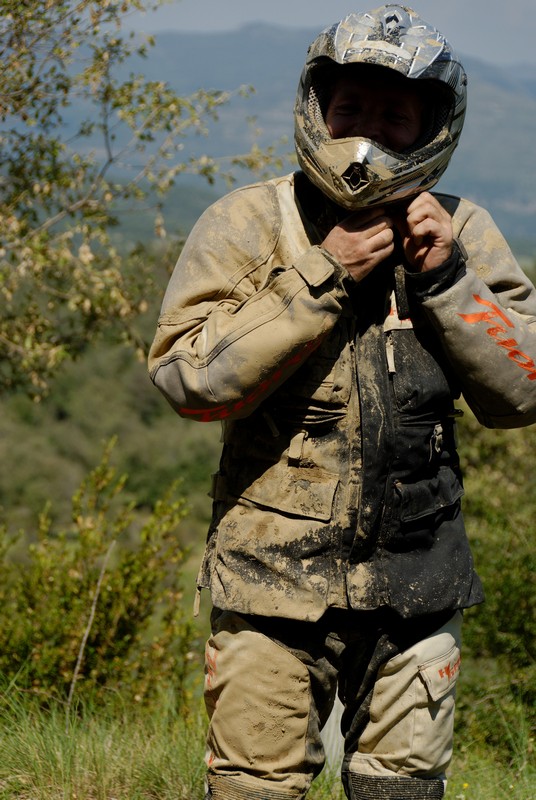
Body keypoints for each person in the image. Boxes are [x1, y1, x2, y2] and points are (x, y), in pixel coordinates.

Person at [148, 5, 536, 799]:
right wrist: (323, 274)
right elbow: (190, 381)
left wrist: (447, 280)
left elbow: (522, 392)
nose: (367, 133)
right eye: (350, 107)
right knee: (254, 788)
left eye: (395, 115)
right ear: (317, 107)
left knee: (403, 789)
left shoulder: (465, 230)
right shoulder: (249, 222)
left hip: (418, 584)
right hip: (269, 583)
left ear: (431, 125)